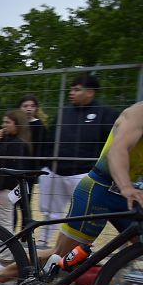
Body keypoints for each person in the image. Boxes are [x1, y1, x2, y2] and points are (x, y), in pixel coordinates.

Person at [0, 102, 143, 285]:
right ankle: (1, 276)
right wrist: (127, 187)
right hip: (99, 189)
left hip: (126, 193)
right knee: (63, 255)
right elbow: (117, 151)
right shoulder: (138, 113)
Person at [36, 74, 117, 245]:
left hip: (84, 175)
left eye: (77, 89)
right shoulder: (64, 112)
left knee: (84, 216)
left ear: (90, 92)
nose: (71, 93)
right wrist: (47, 164)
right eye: (71, 89)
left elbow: (112, 145)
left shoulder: (106, 113)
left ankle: (78, 254)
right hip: (55, 171)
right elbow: (50, 139)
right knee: (50, 213)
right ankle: (42, 246)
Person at [0, 108, 32, 238]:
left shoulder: (16, 144)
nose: (4, 125)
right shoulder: (8, 141)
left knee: (4, 224)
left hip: (6, 189)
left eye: (8, 122)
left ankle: (6, 255)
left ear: (17, 124)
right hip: (1, 188)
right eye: (4, 122)